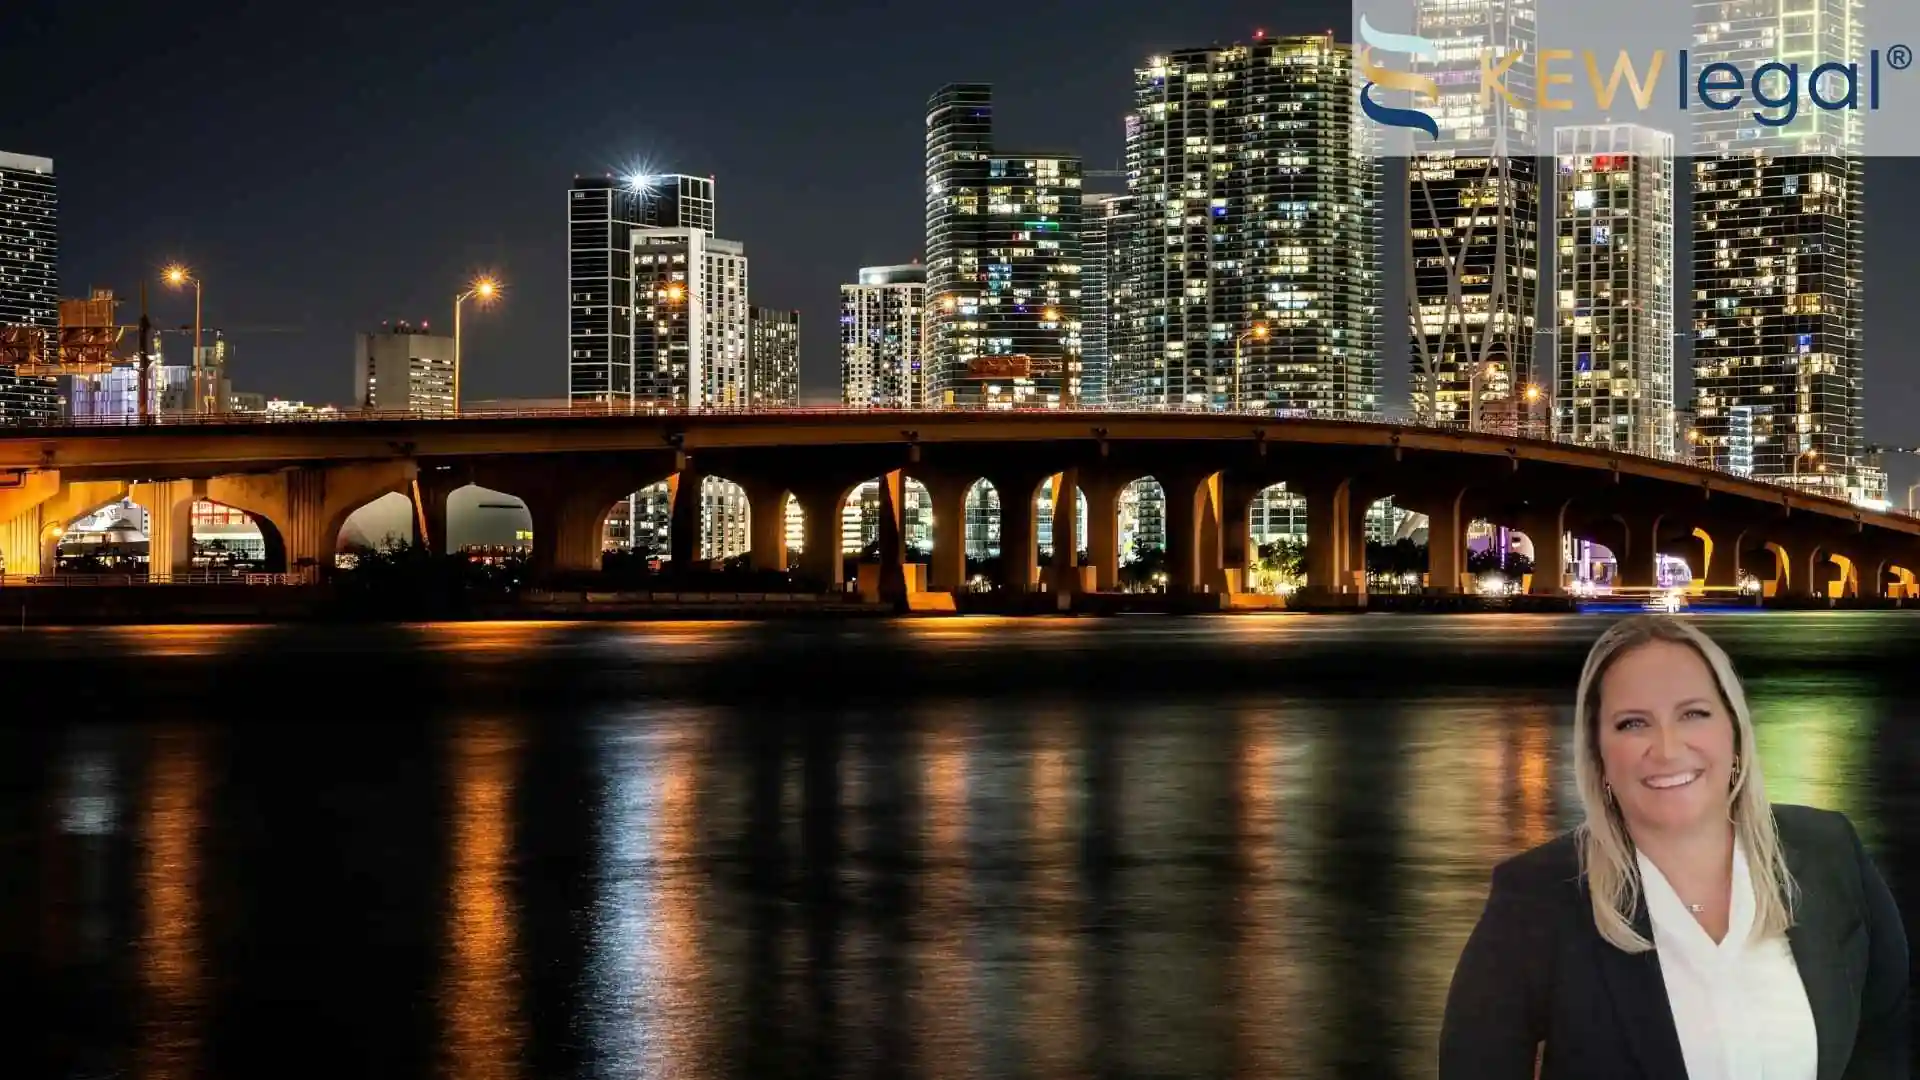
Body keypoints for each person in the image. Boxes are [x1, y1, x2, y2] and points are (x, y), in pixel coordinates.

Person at [1439, 613, 1909, 1079]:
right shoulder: (1536, 898)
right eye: (1632, 724)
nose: (1666, 749)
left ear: (1734, 730)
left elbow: (1885, 1041)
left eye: (1693, 714)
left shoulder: (1831, 852)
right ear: (1598, 755)